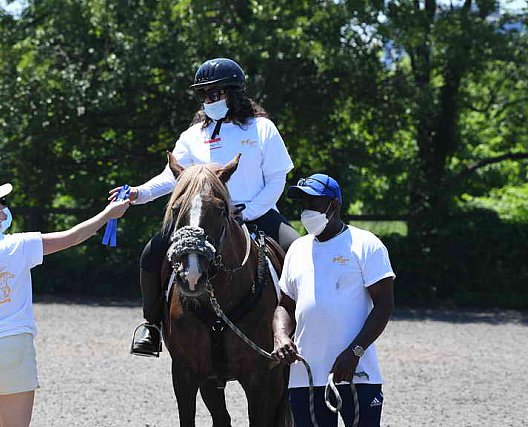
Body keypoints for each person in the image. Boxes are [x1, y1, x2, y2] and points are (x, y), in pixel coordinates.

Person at [109, 57, 300, 357]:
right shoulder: (192, 135)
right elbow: (172, 177)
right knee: (151, 252)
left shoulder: (262, 128)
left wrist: (246, 213)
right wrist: (138, 193)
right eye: (204, 94)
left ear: (234, 93)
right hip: (201, 221)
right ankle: (151, 326)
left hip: (258, 214)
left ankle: (301, 331)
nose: (209, 99)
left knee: (301, 252)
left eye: (216, 92)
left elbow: (277, 179)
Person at [0, 183, 129, 427]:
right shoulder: (17, 245)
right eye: (1, 203)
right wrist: (109, 213)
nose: (6, 207)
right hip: (10, 348)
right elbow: (73, 237)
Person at [271, 174, 395, 427]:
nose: (306, 211)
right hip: (304, 375)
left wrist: (355, 352)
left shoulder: (365, 245)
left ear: (334, 206)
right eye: (302, 203)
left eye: (313, 203)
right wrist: (281, 335)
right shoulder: (297, 249)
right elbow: (285, 305)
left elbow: (384, 305)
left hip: (358, 374)